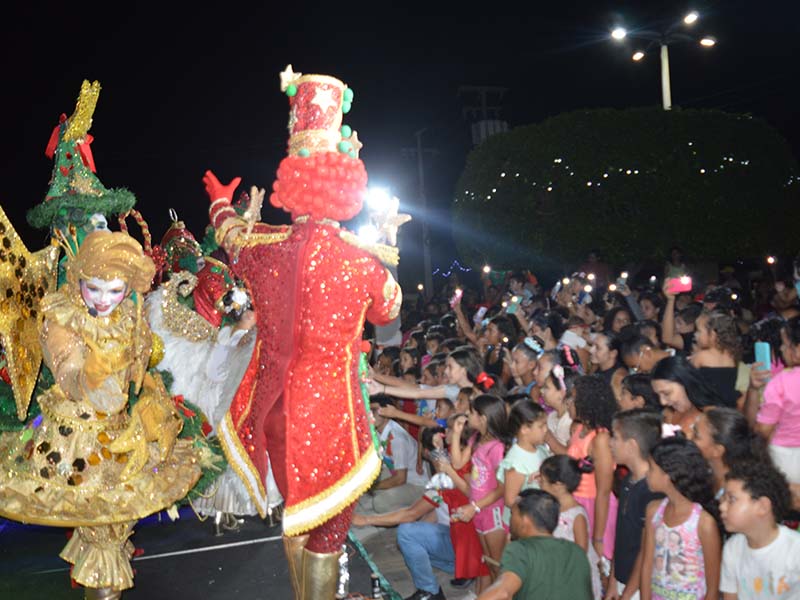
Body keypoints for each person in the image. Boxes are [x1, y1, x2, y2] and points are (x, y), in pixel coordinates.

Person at [203, 66, 407, 599]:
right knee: (327, 531)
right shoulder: (361, 262)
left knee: (299, 515)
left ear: (294, 180)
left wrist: (221, 202)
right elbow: (389, 311)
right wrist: (384, 248)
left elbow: (229, 235)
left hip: (274, 411)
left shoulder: (263, 246)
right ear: (346, 183)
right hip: (329, 415)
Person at [0, 231, 201, 599]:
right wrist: (97, 369)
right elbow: (74, 379)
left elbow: (133, 380)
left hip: (117, 436)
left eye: (116, 290)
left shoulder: (129, 316)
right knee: (104, 539)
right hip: (73, 445)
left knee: (110, 534)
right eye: (95, 288)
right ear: (78, 279)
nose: (106, 300)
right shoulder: (62, 319)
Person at [640, 437, 722, 600]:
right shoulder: (654, 511)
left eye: (651, 468)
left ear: (669, 475)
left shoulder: (703, 523)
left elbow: (713, 588)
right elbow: (647, 565)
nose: (646, 473)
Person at [476, 489, 593, 600]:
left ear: (525, 520)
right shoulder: (577, 552)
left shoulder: (520, 549)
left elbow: (503, 592)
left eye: (512, 513)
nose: (510, 519)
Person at [719, 460, 800, 599]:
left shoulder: (795, 549)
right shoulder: (732, 548)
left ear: (762, 506)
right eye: (723, 499)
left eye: (731, 500)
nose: (722, 507)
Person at [607, 409, 664, 600]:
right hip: (622, 580)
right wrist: (613, 580)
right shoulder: (627, 480)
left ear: (632, 446)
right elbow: (620, 532)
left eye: (615, 438)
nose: (610, 443)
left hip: (640, 586)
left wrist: (628, 593)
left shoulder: (652, 490)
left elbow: (646, 549)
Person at [451, 394, 509, 579]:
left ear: (483, 418)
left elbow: (502, 488)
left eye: (472, 412)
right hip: (477, 510)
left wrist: (475, 506)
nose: (467, 414)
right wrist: (457, 433)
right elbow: (458, 463)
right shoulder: (476, 438)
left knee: (500, 565)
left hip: (492, 511)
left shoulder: (497, 448)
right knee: (491, 563)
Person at [540, 455, 602, 599]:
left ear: (558, 485)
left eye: (543, 481)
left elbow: (580, 554)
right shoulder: (550, 507)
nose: (540, 485)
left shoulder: (576, 515)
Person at [752, 316, 800, 489]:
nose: (781, 348)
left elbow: (763, 430)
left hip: (786, 459)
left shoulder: (781, 382)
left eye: (785, 344)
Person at [363, 395, 430, 514]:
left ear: (387, 413)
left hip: (417, 485)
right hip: (400, 474)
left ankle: (416, 511)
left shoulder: (396, 438)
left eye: (374, 411)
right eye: (368, 410)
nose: (370, 415)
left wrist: (374, 486)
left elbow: (400, 479)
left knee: (379, 503)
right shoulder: (380, 430)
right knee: (366, 479)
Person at [691, 407, 770, 500]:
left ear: (717, 451)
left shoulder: (735, 494)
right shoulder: (705, 471)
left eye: (696, 435)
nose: (689, 438)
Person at [497, 400, 552, 527]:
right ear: (525, 429)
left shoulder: (540, 449)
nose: (546, 430)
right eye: (541, 426)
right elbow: (510, 500)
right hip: (525, 525)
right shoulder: (516, 462)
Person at [651, 355, 722, 436]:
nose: (662, 402)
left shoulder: (713, 419)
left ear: (686, 383)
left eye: (667, 393)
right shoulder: (668, 414)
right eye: (658, 395)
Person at [691, 310, 742, 408]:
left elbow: (687, 377)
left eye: (699, 331)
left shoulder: (701, 356)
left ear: (713, 334)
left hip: (706, 405)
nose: (695, 335)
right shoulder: (731, 355)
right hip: (728, 405)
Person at [542, 365, 577, 448]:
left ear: (561, 393)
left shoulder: (569, 422)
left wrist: (548, 438)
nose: (542, 391)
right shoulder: (551, 416)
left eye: (546, 388)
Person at [590, 332, 627, 401]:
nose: (591, 350)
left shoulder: (618, 378)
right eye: (592, 345)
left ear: (613, 353)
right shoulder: (596, 366)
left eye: (598, 348)